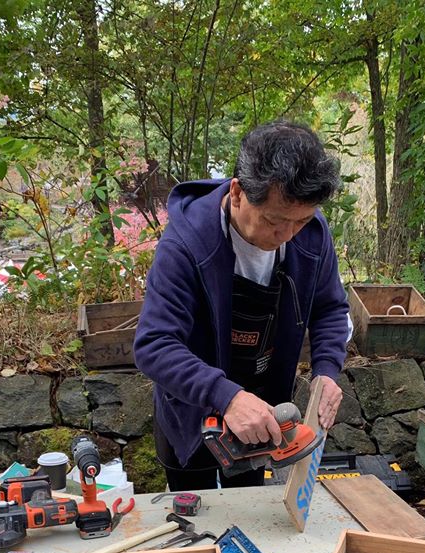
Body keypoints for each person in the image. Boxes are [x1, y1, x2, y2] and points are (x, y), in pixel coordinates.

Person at [134, 119, 350, 491]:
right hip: (194, 409)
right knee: (194, 512)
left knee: (249, 504)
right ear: (237, 193)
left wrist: (327, 370)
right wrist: (227, 396)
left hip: (261, 411)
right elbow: (154, 345)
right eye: (274, 221)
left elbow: (330, 308)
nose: (287, 235)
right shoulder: (186, 245)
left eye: (300, 222)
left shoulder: (312, 235)